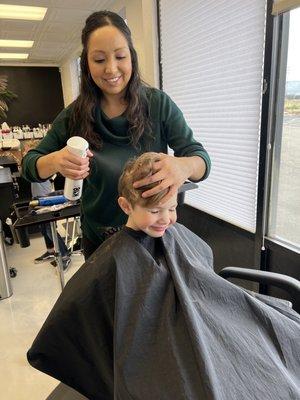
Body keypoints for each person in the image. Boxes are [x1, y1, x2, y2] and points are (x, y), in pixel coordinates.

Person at [27, 153, 300, 400]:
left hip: (211, 320)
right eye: (155, 211)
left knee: (284, 338)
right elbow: (69, 318)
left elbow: (204, 276)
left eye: (172, 208)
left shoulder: (178, 236)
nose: (166, 219)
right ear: (125, 206)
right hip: (158, 351)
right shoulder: (112, 260)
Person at [21, 10, 211, 260]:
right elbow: (29, 166)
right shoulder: (74, 116)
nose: (111, 69)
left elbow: (201, 161)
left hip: (153, 236)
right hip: (99, 240)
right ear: (86, 65)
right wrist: (56, 161)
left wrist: (183, 166)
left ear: (131, 57)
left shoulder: (158, 105)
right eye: (99, 60)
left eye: (120, 56)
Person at [31, 180, 71, 271]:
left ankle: (65, 256)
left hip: (47, 198)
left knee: (50, 230)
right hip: (37, 198)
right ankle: (51, 251)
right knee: (43, 229)